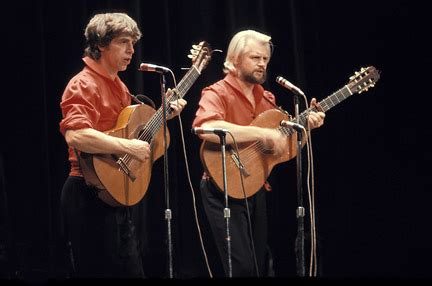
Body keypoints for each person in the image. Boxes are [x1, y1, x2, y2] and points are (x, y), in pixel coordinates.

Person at [59, 13, 187, 278]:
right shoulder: (82, 84)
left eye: (133, 44)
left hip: (115, 194)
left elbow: (131, 130)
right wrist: (128, 148)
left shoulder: (119, 86)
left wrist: (165, 114)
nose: (131, 50)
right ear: (101, 45)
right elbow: (76, 136)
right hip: (87, 193)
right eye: (124, 42)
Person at [192, 29, 325, 277]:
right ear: (235, 60)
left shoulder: (268, 99)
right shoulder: (217, 92)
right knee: (241, 267)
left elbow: (283, 151)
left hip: (254, 186)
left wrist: (305, 128)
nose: (262, 64)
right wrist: (261, 134)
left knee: (262, 264)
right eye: (255, 58)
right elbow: (205, 128)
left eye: (265, 59)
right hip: (221, 187)